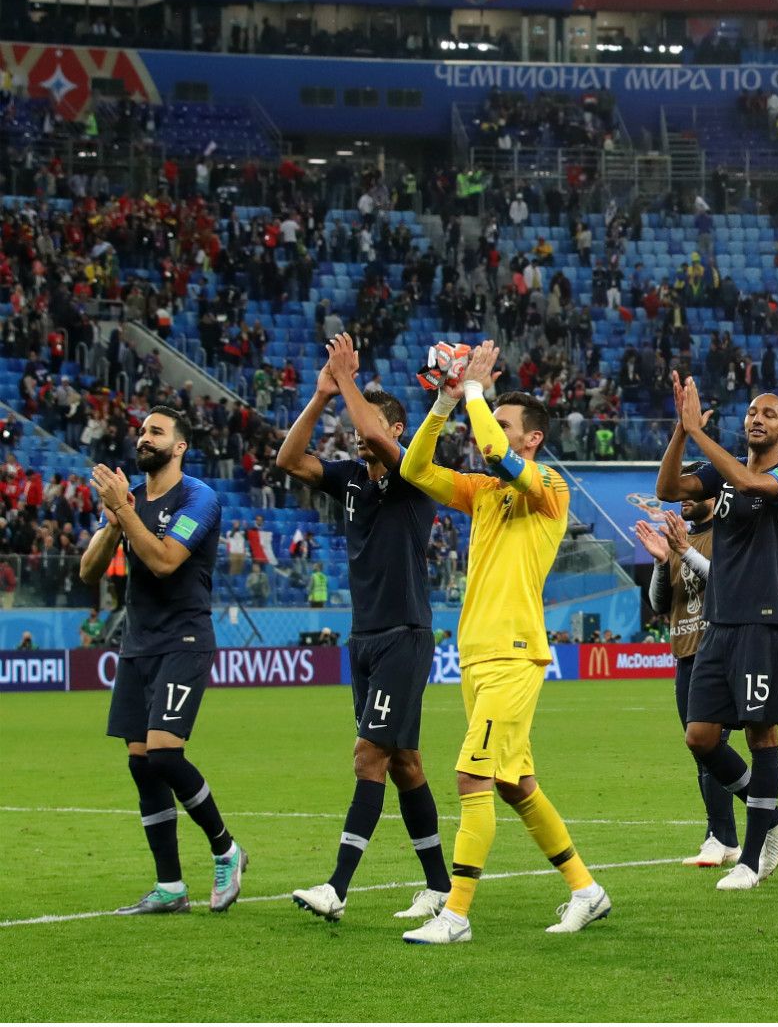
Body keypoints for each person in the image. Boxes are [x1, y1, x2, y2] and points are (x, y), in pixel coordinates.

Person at [395, 340, 609, 944]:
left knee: (471, 777)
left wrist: (474, 392)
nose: (490, 429)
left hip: (516, 654)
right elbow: (414, 470)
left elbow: (492, 445)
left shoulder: (549, 489)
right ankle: (587, 892)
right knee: (515, 785)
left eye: (506, 422)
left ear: (532, 438)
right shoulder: (484, 492)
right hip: (475, 656)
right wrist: (442, 404)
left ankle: (456, 915)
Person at [277, 335, 452, 924]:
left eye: (370, 421)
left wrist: (348, 381)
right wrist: (324, 392)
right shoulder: (352, 477)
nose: (359, 430)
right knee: (405, 764)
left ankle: (337, 888)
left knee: (367, 755)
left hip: (405, 631)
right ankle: (439, 886)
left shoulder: (415, 471)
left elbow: (378, 437)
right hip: (366, 636)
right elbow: (290, 460)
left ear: (397, 428)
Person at [79, 406, 245, 916]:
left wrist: (125, 513)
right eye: (142, 430)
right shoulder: (130, 502)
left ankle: (226, 848)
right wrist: (113, 521)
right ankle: (170, 887)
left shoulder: (199, 497)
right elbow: (88, 571)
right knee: (140, 764)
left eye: (156, 431)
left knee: (165, 755)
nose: (143, 437)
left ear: (179, 447)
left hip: (184, 640)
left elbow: (166, 560)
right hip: (138, 645)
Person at [654, 373, 778, 891]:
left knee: (761, 735)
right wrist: (683, 431)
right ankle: (772, 817)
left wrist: (701, 435)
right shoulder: (718, 474)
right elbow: (666, 490)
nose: (757, 419)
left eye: (769, 414)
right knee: (699, 738)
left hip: (764, 622)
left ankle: (749, 858)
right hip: (718, 626)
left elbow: (751, 486)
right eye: (751, 412)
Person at [635, 493, 739, 869]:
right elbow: (661, 604)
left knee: (714, 746)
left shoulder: (727, 532)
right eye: (683, 496)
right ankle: (722, 836)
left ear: (715, 496)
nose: (686, 501)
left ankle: (728, 833)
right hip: (685, 653)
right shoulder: (679, 537)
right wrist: (663, 562)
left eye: (696, 494)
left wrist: (682, 549)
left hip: (719, 651)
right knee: (701, 751)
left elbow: (728, 583)